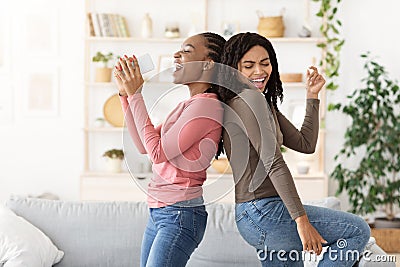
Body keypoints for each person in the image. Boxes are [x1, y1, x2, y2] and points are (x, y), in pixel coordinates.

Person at [219, 32, 370, 266]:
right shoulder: (250, 99)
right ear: (234, 70)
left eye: (265, 63)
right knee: (357, 230)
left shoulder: (261, 102)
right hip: (264, 211)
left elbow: (305, 144)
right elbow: (273, 162)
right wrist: (301, 220)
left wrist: (312, 96)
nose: (259, 71)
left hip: (253, 216)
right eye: (249, 65)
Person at [113, 32, 225, 267]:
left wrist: (136, 94)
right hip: (161, 211)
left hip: (180, 214)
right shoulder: (189, 104)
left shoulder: (207, 105)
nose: (176, 54)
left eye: (186, 51)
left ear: (207, 64)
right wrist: (126, 95)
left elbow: (157, 153)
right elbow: (144, 146)